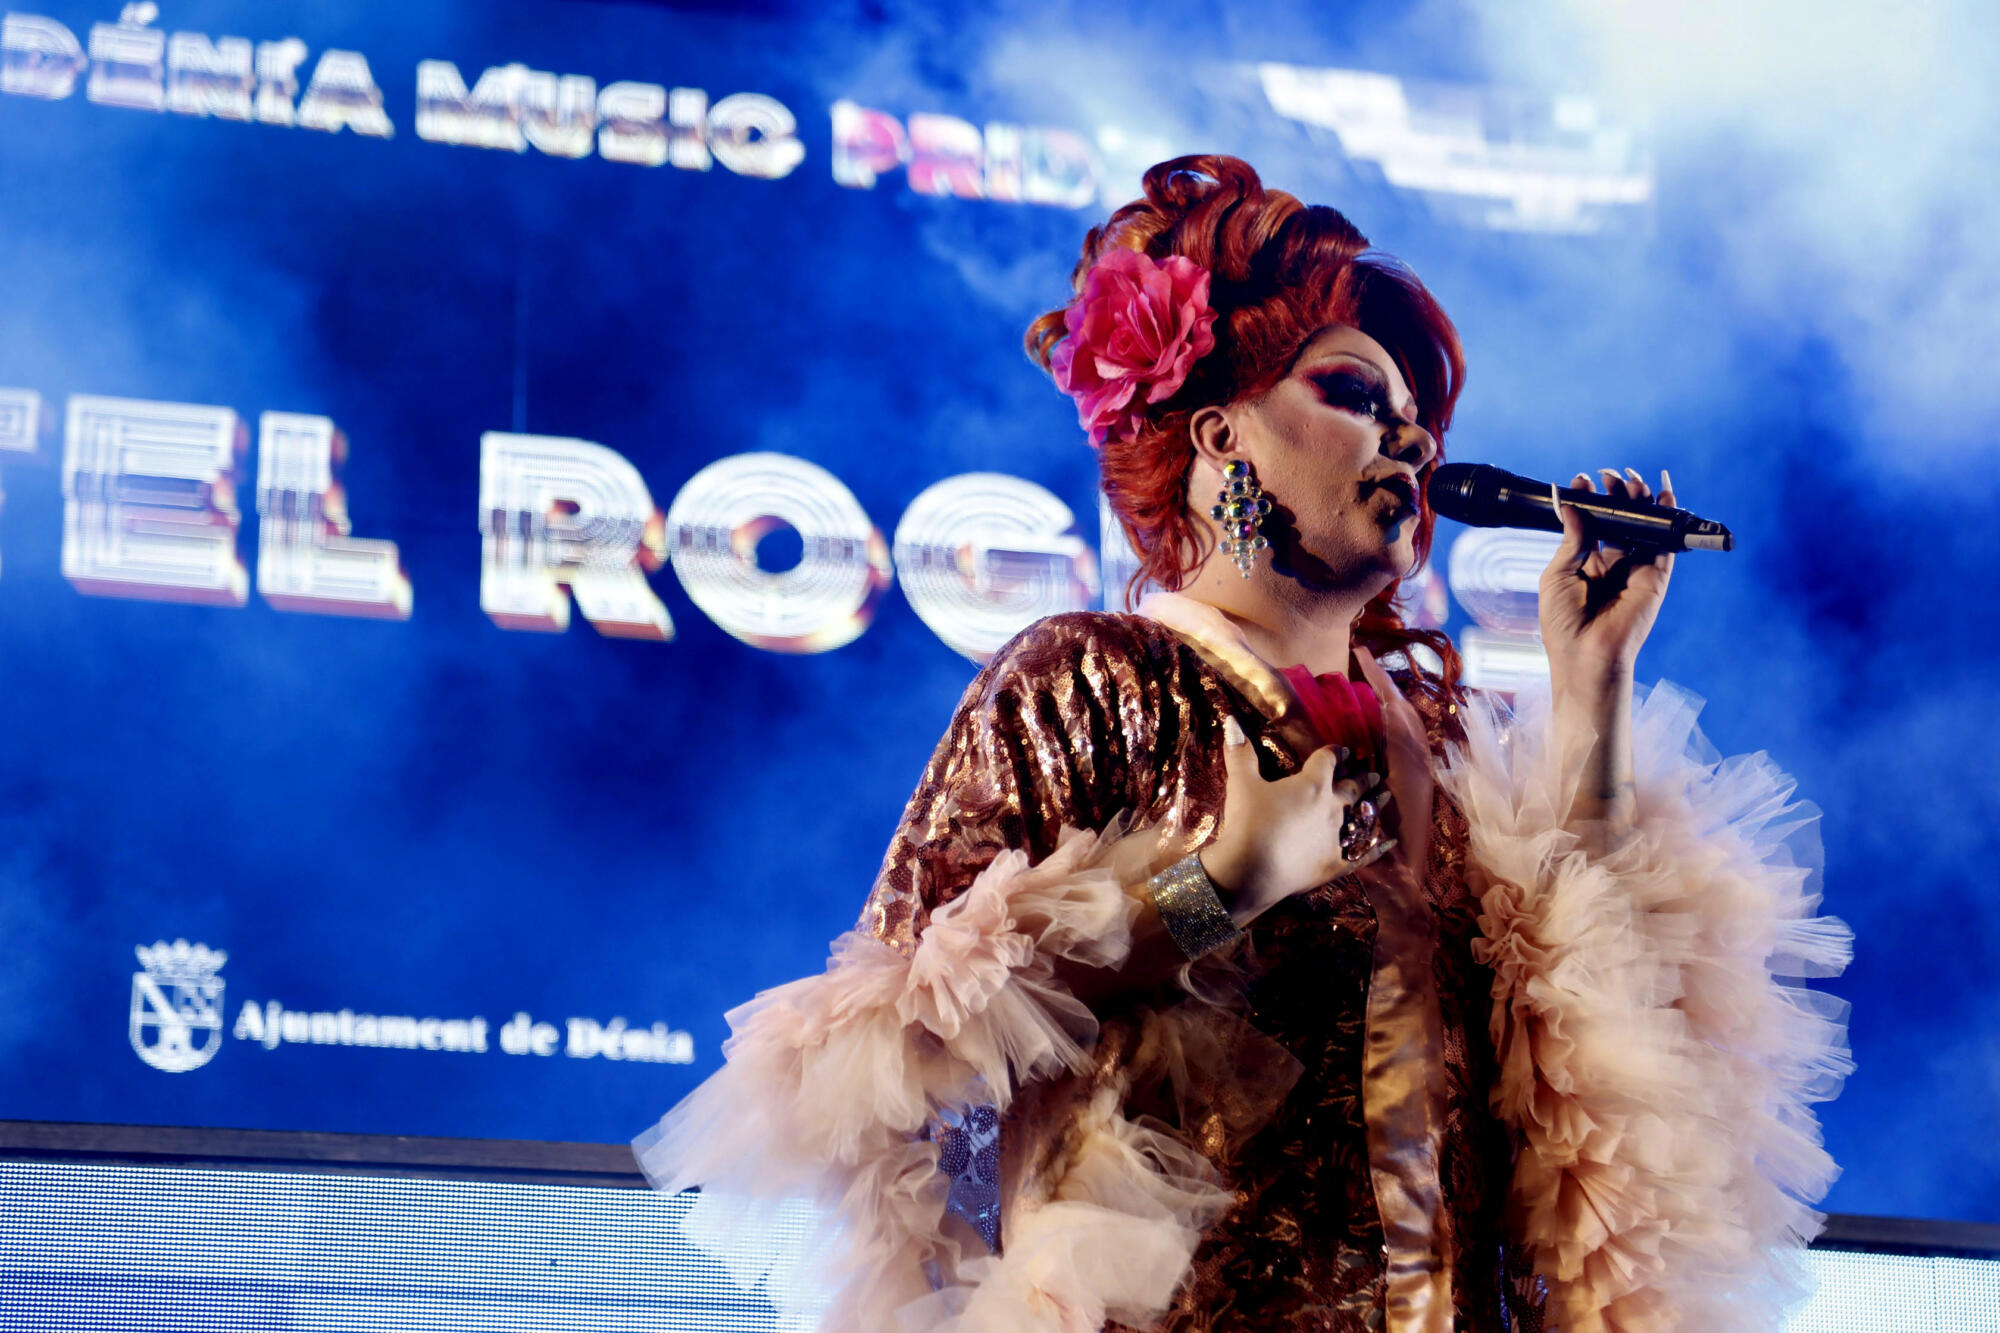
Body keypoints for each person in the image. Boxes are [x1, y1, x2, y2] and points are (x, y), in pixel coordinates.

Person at [635, 156, 1850, 1332]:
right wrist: (1216, 889)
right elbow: (899, 1041)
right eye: (1356, 396)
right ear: (1219, 434)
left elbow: (1586, 1062)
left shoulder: (1448, 739)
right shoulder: (1086, 677)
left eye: (1417, 422)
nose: (1413, 443)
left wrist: (1590, 687)